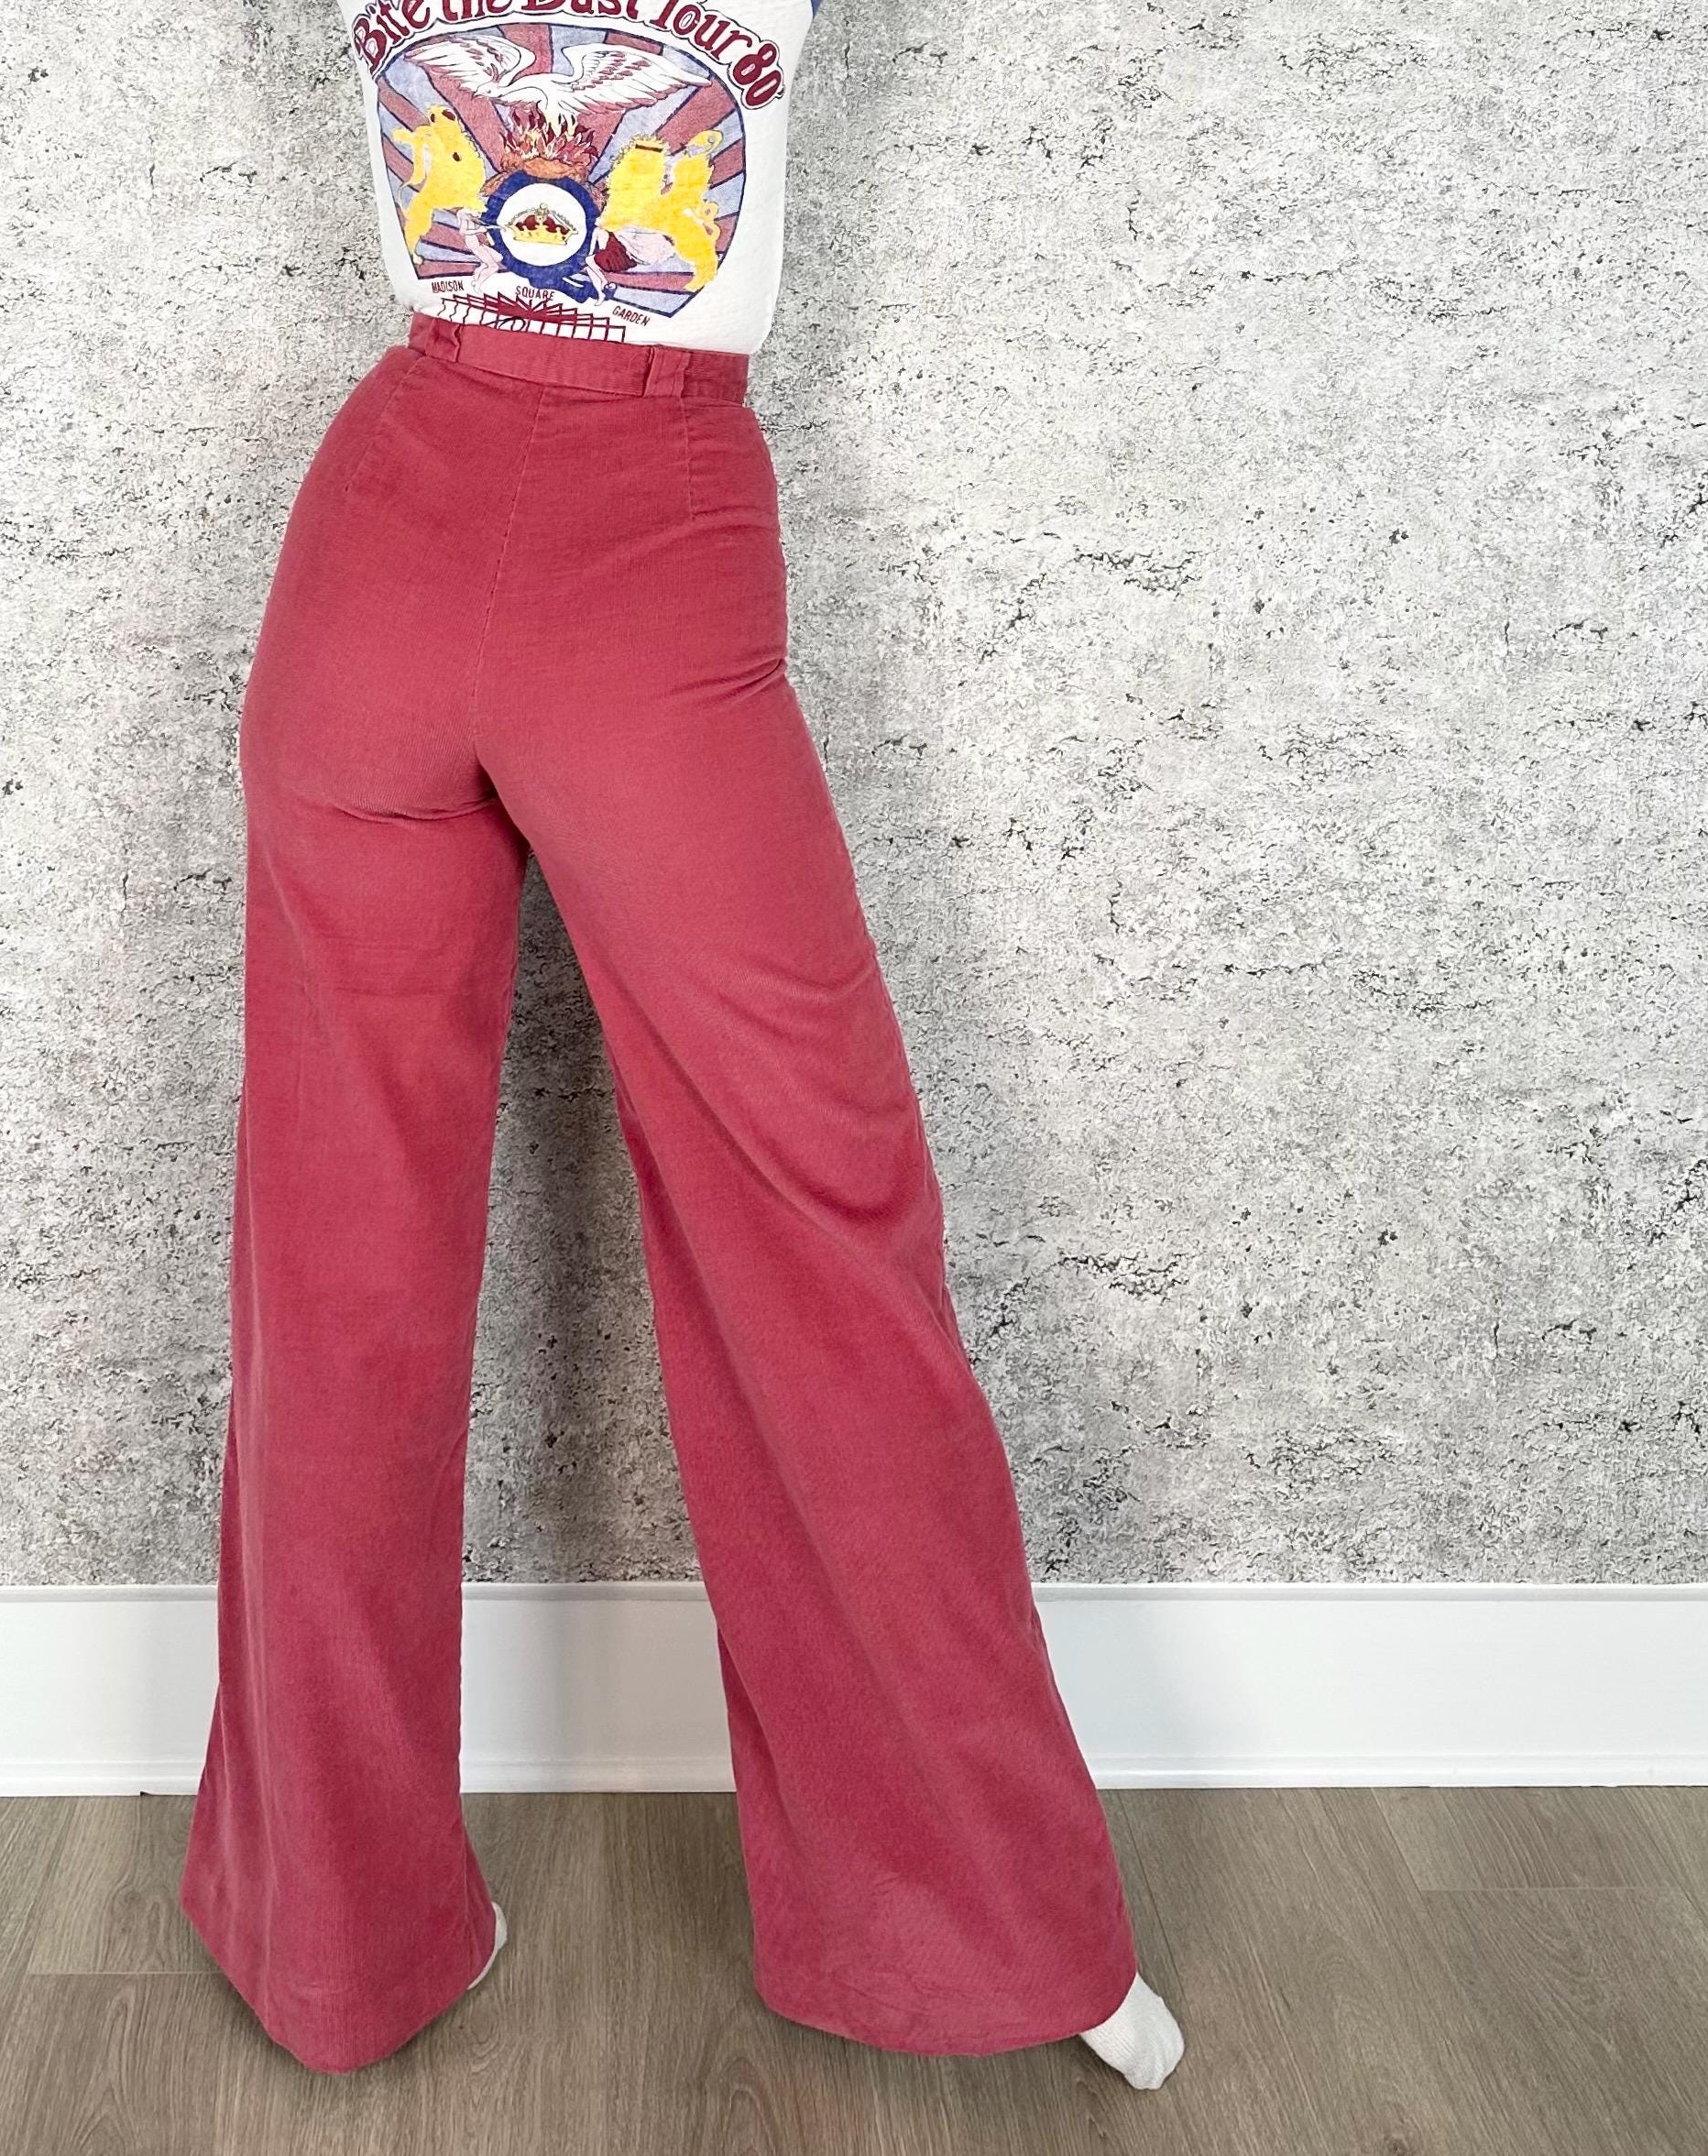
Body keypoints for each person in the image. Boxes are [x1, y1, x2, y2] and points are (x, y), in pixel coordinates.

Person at [179, 0, 1186, 2090]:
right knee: (807, 1240)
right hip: (615, 545)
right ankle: (980, 1931)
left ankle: (331, 1940)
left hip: (396, 540)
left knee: (340, 1274)